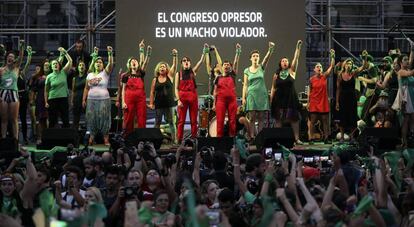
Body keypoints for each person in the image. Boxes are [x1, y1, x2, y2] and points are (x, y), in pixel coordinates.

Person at [270, 40, 303, 145]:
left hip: (290, 99)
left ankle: (297, 139)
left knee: (294, 119)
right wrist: (271, 100)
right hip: (279, 99)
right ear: (280, 63)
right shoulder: (276, 74)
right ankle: (278, 139)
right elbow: (273, 88)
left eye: (286, 61)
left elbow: (296, 58)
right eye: (283, 61)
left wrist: (298, 47)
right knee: (279, 119)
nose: (285, 62)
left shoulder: (292, 71)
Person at [175, 44, 208, 142]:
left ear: (190, 63)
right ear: (181, 63)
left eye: (188, 61)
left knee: (194, 120)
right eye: (184, 61)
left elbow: (201, 61)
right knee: (181, 121)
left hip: (193, 97)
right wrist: (178, 100)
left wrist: (204, 50)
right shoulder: (178, 74)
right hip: (182, 97)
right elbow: (176, 88)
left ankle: (194, 138)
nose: (186, 62)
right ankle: (179, 139)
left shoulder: (193, 71)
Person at [242, 41, 275, 139]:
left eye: (257, 56)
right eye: (254, 56)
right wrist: (243, 98)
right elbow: (245, 85)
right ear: (250, 58)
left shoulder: (261, 67)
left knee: (261, 118)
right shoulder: (247, 70)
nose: (256, 57)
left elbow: (266, 58)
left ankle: (260, 137)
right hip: (251, 94)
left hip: (262, 94)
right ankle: (252, 136)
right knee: (252, 117)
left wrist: (270, 49)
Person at [82, 46, 113, 145]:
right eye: (96, 62)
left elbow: (111, 64)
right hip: (91, 100)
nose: (98, 63)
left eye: (100, 62)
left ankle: (106, 139)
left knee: (104, 118)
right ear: (94, 64)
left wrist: (110, 54)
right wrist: (84, 99)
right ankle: (91, 138)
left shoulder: (105, 73)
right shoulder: (89, 75)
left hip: (104, 100)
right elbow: (86, 88)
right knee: (91, 118)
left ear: (103, 65)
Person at [209, 43, 241, 137]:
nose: (226, 66)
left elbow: (235, 63)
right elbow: (215, 92)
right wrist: (214, 104)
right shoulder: (217, 78)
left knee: (232, 121)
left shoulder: (232, 75)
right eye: (224, 64)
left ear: (230, 67)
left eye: (228, 65)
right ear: (222, 67)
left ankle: (232, 140)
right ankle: (219, 140)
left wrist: (237, 52)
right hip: (221, 101)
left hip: (232, 101)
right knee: (220, 120)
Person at [122, 40, 151, 136]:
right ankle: (127, 137)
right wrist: (123, 102)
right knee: (128, 118)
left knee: (141, 117)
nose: (134, 62)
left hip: (140, 99)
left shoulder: (141, 74)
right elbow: (123, 89)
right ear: (129, 65)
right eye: (132, 61)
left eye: (136, 61)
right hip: (129, 98)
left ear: (138, 65)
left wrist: (145, 52)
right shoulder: (125, 75)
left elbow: (145, 62)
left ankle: (142, 137)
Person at [149, 49, 178, 143]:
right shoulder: (155, 80)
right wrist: (151, 103)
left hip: (169, 104)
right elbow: (152, 92)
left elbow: (175, 66)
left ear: (166, 69)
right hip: (159, 104)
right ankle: (154, 140)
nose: (162, 68)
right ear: (158, 69)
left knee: (171, 123)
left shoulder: (170, 77)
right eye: (161, 67)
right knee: (157, 123)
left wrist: (175, 55)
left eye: (164, 67)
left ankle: (175, 140)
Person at [307, 49, 335, 144]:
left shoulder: (324, 76)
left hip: (323, 102)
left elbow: (332, 66)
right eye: (317, 67)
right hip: (314, 102)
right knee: (313, 122)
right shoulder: (311, 79)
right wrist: (308, 102)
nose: (319, 68)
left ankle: (326, 138)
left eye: (320, 67)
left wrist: (332, 56)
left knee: (325, 121)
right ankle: (311, 138)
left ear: (322, 69)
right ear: (314, 70)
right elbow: (309, 91)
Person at [335, 57, 365, 141]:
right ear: (344, 65)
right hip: (343, 98)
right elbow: (338, 89)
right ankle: (341, 137)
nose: (349, 65)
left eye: (351, 64)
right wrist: (337, 102)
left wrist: (365, 58)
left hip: (352, 98)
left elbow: (363, 67)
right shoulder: (340, 75)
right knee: (342, 117)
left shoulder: (353, 73)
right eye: (348, 63)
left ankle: (352, 136)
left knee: (352, 117)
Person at [0, 40, 25, 140]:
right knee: (4, 119)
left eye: (12, 57)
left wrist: (21, 46)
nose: (10, 58)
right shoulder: (1, 70)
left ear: (14, 59)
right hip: (3, 92)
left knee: (14, 119)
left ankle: (16, 140)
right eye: (8, 56)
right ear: (6, 58)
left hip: (14, 93)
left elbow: (21, 57)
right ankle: (3, 138)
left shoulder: (16, 68)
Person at [392, 40, 414, 148]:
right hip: (406, 97)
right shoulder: (401, 72)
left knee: (412, 119)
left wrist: (412, 48)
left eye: (407, 60)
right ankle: (404, 142)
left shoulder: (407, 68)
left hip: (412, 95)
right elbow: (410, 73)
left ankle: (410, 138)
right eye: (405, 60)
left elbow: (411, 59)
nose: (407, 61)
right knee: (406, 120)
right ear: (401, 62)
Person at [45, 47, 73, 128]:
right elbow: (46, 91)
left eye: (56, 63)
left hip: (63, 98)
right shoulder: (49, 76)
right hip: (52, 99)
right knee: (52, 120)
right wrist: (46, 101)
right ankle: (50, 139)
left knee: (65, 119)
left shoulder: (63, 72)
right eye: (53, 64)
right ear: (51, 66)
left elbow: (70, 61)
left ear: (59, 65)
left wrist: (65, 52)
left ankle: (66, 138)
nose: (55, 64)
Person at [31, 60, 51, 144]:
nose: (46, 66)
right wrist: (32, 100)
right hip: (40, 100)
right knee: (40, 120)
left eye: (48, 65)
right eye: (45, 65)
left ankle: (49, 137)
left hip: (50, 99)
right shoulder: (38, 77)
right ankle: (40, 138)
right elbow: (33, 90)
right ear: (43, 67)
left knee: (49, 119)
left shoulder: (53, 75)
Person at [17, 45, 33, 144]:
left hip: (23, 97)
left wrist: (29, 53)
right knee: (13, 118)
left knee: (23, 118)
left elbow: (27, 63)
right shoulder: (11, 73)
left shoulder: (22, 73)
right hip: (14, 97)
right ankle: (15, 138)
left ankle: (25, 138)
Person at [71, 60, 87, 130]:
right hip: (76, 99)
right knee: (76, 119)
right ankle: (75, 135)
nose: (81, 67)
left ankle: (87, 135)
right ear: (77, 67)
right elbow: (73, 90)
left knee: (87, 117)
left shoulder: (88, 77)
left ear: (85, 68)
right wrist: (71, 101)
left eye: (83, 65)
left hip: (85, 99)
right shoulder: (74, 78)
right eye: (80, 65)